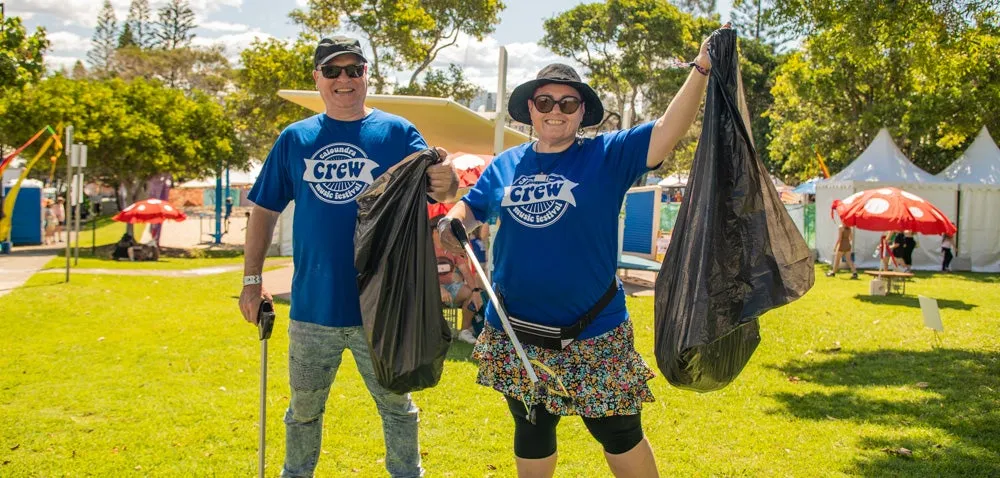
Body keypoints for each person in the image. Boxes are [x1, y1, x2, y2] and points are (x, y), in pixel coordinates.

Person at [439, 25, 729, 478]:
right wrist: (454, 220)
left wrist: (701, 68)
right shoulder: (506, 164)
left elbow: (669, 129)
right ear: (530, 110)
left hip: (595, 333)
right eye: (545, 102)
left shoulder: (607, 156)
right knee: (532, 428)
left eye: (568, 103)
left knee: (620, 432)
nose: (556, 111)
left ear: (580, 113)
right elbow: (472, 207)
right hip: (516, 334)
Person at [237, 36, 458, 478]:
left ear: (365, 76)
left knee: (398, 407)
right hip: (312, 308)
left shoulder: (396, 133)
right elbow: (263, 210)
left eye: (353, 70)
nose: (344, 79)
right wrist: (251, 281)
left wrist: (446, 181)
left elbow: (443, 190)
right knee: (302, 411)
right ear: (317, 78)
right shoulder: (295, 138)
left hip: (381, 309)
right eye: (333, 71)